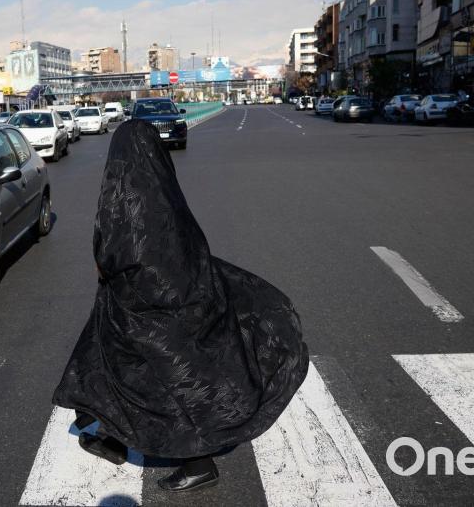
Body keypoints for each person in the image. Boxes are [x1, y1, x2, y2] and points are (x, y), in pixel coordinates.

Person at [52, 120, 309, 492]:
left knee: (165, 382)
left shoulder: (127, 191)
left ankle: (197, 463)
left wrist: (110, 269)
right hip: (171, 294)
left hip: (143, 303)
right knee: (113, 366)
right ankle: (110, 437)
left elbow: (125, 248)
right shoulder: (163, 186)